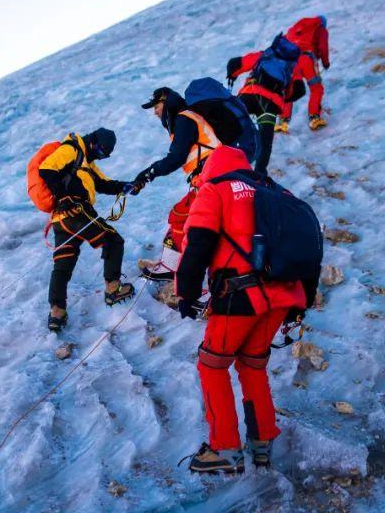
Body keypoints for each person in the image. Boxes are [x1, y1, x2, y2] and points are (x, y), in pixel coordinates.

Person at [174, 146, 319, 474]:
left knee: (212, 365)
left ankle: (223, 448)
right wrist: (303, 302)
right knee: (252, 365)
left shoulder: (215, 190)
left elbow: (198, 243)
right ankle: (262, 443)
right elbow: (307, 244)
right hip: (283, 296)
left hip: (240, 295)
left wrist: (185, 293)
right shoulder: (275, 191)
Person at [39, 128, 135, 331]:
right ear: (93, 141)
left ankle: (57, 312)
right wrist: (64, 197)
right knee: (113, 241)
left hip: (61, 219)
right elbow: (47, 169)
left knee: (63, 264)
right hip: (76, 211)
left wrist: (126, 186)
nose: (101, 156)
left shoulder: (85, 162)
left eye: (105, 155)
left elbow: (103, 184)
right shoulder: (72, 149)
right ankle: (113, 288)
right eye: (100, 151)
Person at [132, 87, 220, 282]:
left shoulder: (183, 118)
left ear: (166, 101)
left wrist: (148, 173)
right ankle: (173, 266)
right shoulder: (187, 118)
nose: (155, 112)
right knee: (184, 216)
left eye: (156, 106)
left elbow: (177, 157)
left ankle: (178, 272)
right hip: (213, 176)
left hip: (212, 177)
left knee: (180, 216)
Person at [227, 36, 307, 173]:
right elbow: (299, 90)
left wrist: (232, 75)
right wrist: (282, 97)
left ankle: (227, 166)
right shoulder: (293, 66)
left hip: (249, 95)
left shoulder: (263, 56)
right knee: (265, 142)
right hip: (270, 105)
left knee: (231, 126)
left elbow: (234, 64)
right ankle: (259, 174)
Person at [283, 15, 330, 131]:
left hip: (291, 62)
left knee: (290, 89)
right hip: (307, 61)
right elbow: (323, 46)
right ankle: (314, 117)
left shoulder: (296, 29)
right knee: (316, 88)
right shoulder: (320, 28)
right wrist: (325, 62)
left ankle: (282, 122)